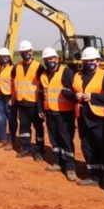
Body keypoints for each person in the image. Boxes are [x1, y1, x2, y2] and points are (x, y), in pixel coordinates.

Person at [72, 47, 104, 199]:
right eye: (86, 61)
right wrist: (75, 96)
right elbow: (68, 91)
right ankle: (94, 176)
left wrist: (92, 97)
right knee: (88, 148)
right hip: (83, 118)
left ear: (99, 61)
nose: (89, 63)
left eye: (92, 60)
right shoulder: (77, 75)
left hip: (101, 120)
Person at [38, 47, 77, 182]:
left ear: (57, 59)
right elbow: (41, 93)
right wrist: (40, 108)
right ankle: (57, 162)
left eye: (52, 59)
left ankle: (70, 167)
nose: (50, 61)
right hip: (50, 111)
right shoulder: (43, 74)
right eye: (47, 59)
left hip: (64, 113)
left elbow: (74, 91)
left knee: (66, 140)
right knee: (54, 139)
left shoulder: (66, 72)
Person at [12, 40, 45, 161]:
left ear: (32, 51)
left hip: (35, 104)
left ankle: (39, 150)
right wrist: (14, 100)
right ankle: (26, 147)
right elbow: (14, 84)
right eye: (23, 52)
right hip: (22, 103)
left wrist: (42, 106)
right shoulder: (17, 67)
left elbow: (43, 87)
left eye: (27, 51)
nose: (25, 53)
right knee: (24, 128)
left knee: (38, 128)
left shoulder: (39, 67)